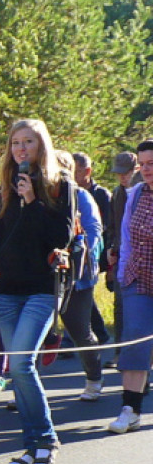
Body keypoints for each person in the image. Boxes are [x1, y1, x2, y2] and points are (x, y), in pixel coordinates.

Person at [0, 119, 73, 464]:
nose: (21, 149)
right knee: (19, 370)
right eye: (16, 142)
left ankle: (46, 441)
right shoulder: (3, 190)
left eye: (28, 141)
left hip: (41, 290)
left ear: (40, 146)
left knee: (20, 364)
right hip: (7, 292)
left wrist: (32, 200)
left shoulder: (60, 186)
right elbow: (1, 241)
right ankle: (33, 447)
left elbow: (59, 238)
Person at [105, 140, 153, 434]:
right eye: (143, 164)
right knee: (135, 336)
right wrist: (122, 274)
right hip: (137, 276)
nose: (147, 170)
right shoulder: (134, 195)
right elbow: (123, 236)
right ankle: (130, 409)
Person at [53, 150, 104, 401]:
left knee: (79, 331)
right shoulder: (41, 197)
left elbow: (94, 233)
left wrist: (74, 256)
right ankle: (26, 388)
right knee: (36, 335)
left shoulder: (81, 196)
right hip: (46, 278)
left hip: (78, 278)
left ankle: (94, 378)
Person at [73, 151, 112, 344]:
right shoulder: (69, 194)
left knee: (84, 289)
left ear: (87, 171)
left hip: (96, 248)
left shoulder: (99, 194)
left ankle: (90, 334)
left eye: (77, 171)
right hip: (78, 250)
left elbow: (105, 224)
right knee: (81, 291)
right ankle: (96, 332)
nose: (73, 175)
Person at [106, 151, 139, 368]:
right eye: (119, 174)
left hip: (142, 258)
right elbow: (114, 225)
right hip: (121, 256)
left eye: (126, 173)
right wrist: (111, 247)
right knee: (120, 306)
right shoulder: (117, 194)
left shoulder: (142, 192)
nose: (122, 178)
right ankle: (120, 352)